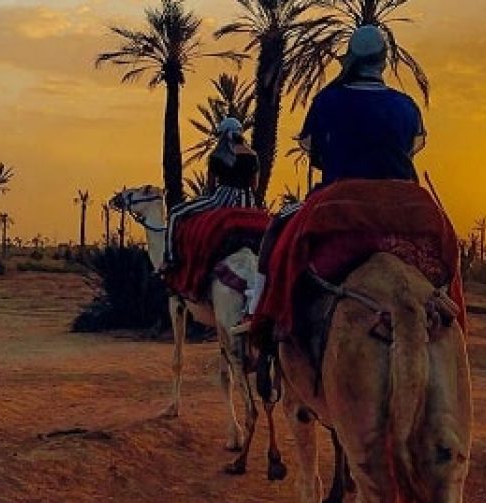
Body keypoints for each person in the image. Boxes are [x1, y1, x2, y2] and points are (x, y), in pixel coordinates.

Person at [238, 24, 427, 327]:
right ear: (384, 61)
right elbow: (411, 148)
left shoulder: (328, 100)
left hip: (338, 198)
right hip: (402, 202)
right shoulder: (406, 107)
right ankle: (456, 319)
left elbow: (315, 152)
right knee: (445, 247)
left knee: (277, 232)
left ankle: (259, 312)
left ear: (351, 59)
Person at [165, 117, 259, 267]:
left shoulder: (217, 156)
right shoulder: (253, 155)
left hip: (223, 197)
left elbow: (211, 186)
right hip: (248, 201)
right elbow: (254, 186)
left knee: (175, 213)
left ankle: (170, 259)